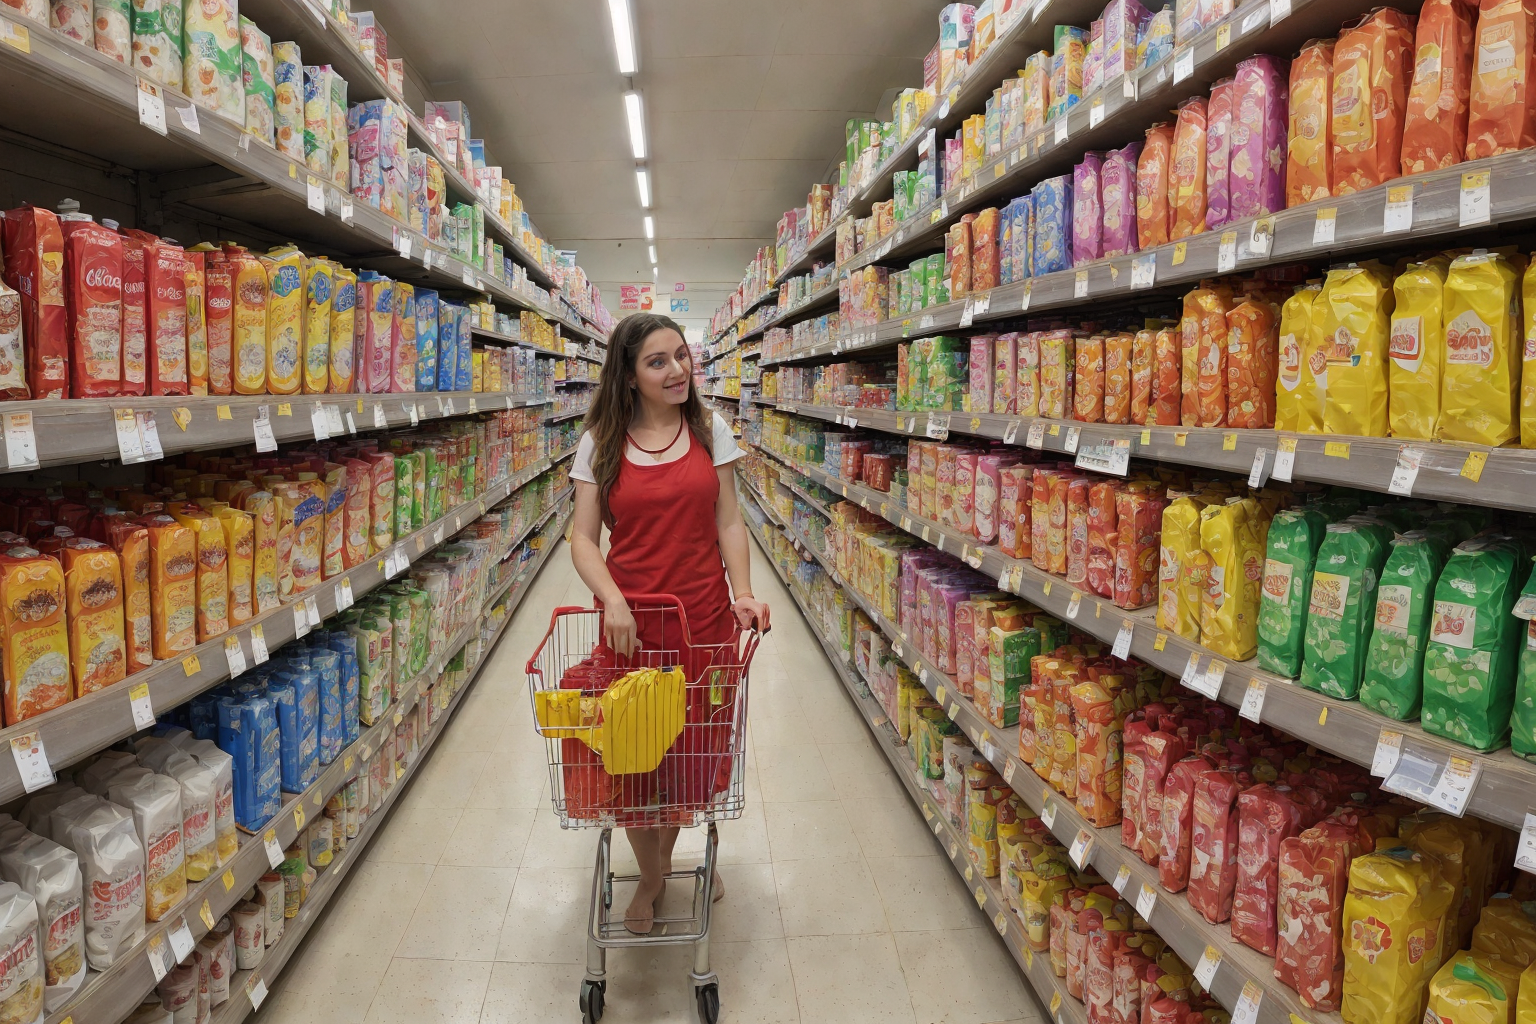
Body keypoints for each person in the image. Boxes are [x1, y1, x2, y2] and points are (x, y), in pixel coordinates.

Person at [568, 311, 770, 935]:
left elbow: (729, 521)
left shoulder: (712, 431)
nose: (677, 370)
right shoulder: (600, 443)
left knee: (688, 757)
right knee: (631, 759)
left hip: (704, 625)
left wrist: (744, 592)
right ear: (629, 377)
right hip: (633, 629)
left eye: (681, 356)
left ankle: (663, 866)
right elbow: (581, 537)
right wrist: (612, 600)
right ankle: (651, 876)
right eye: (657, 361)